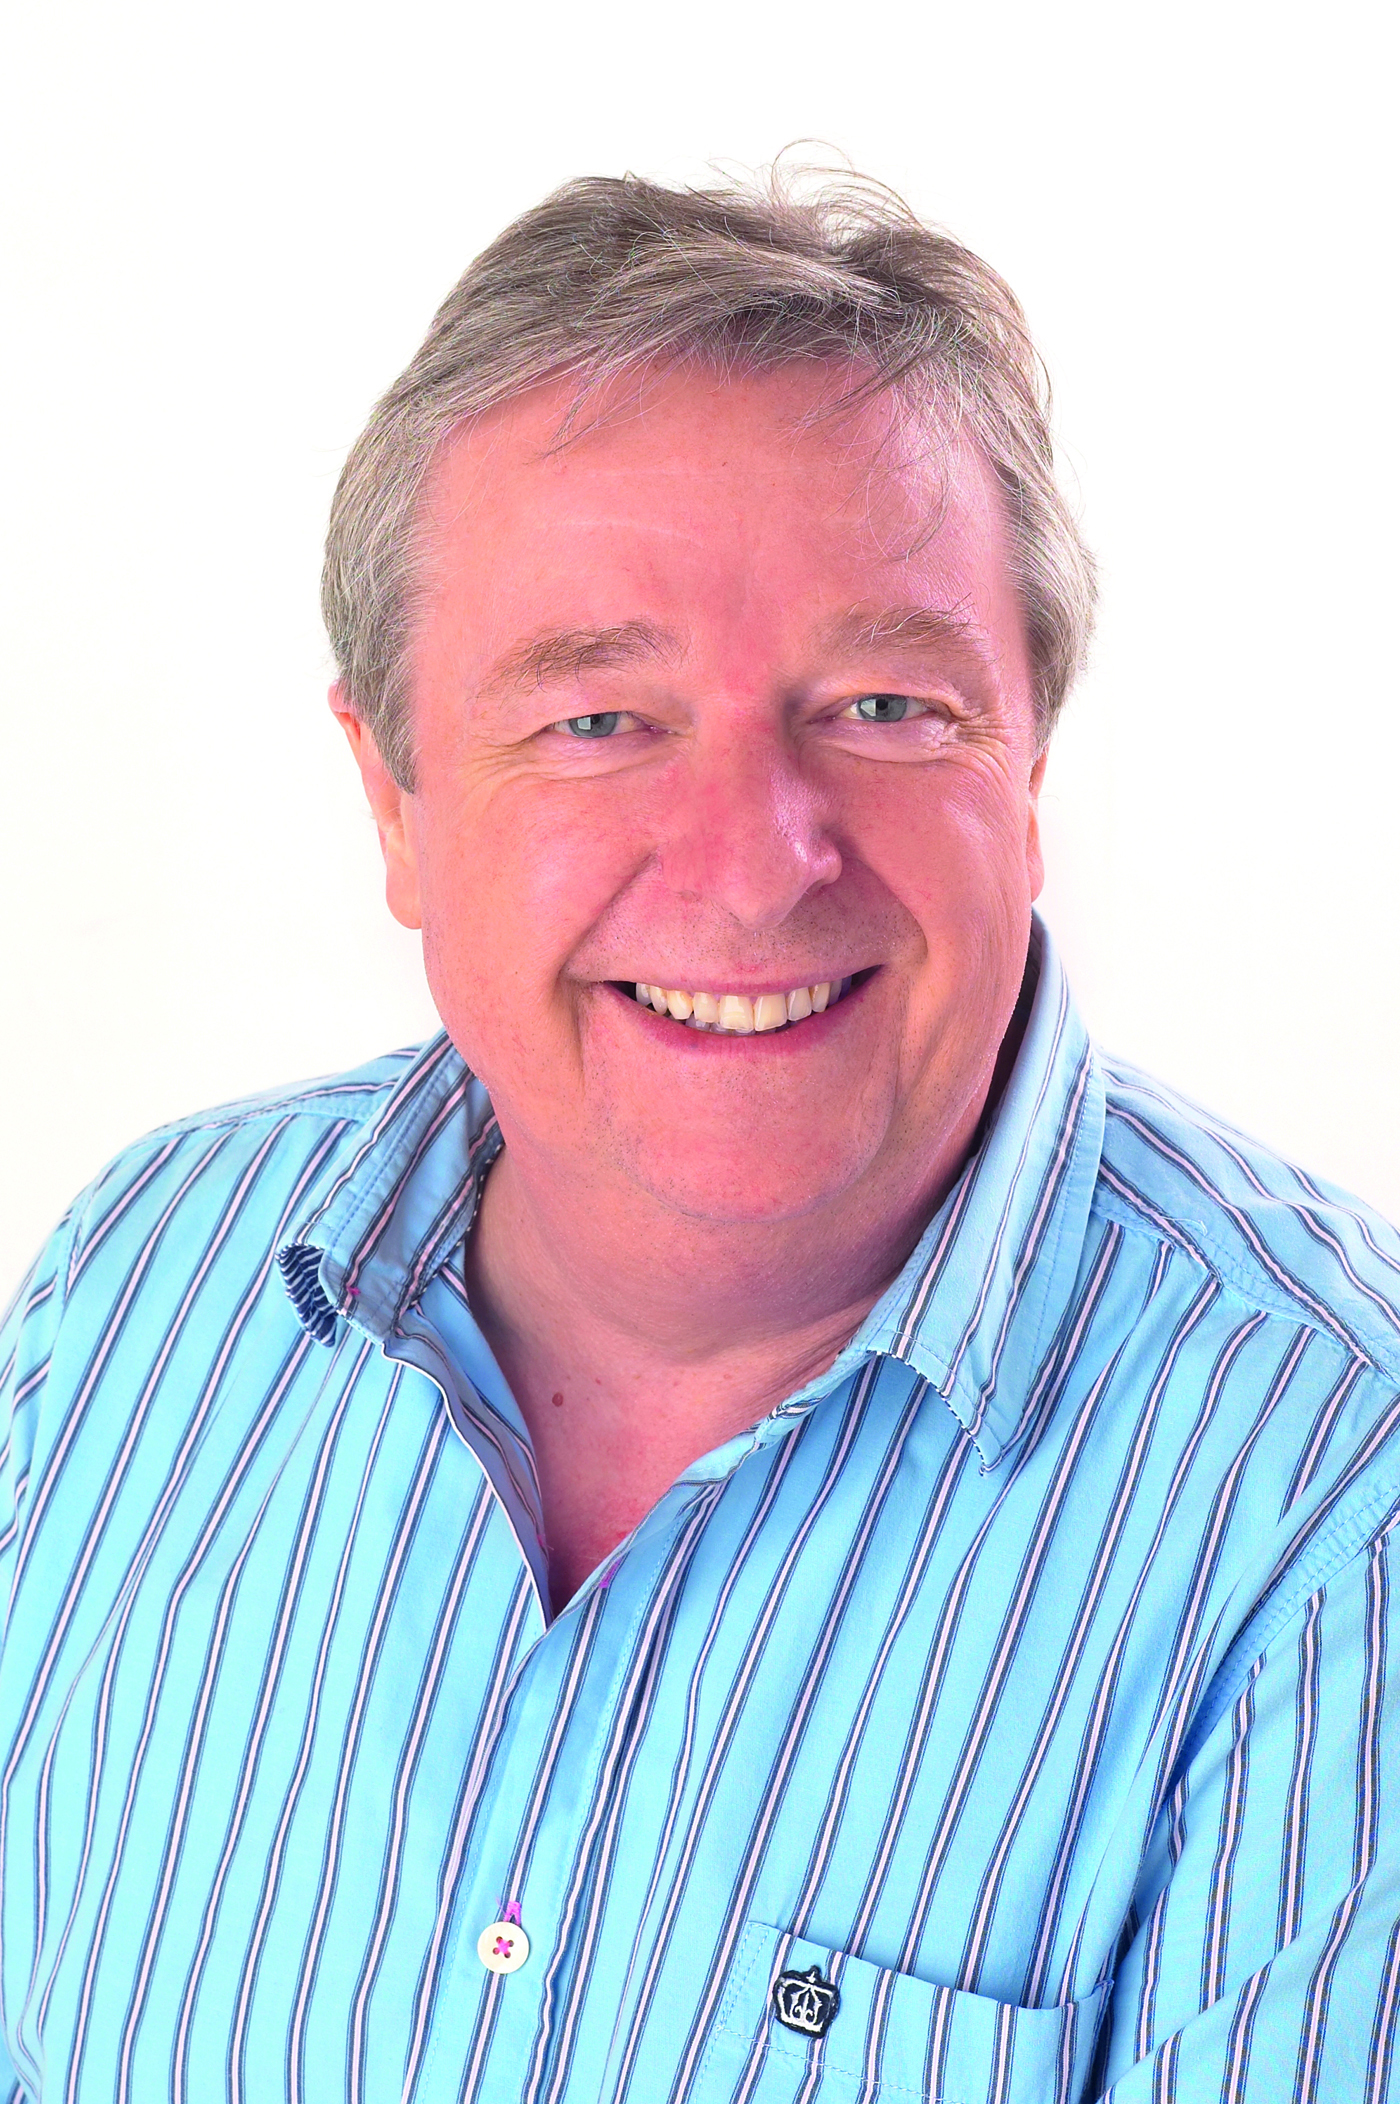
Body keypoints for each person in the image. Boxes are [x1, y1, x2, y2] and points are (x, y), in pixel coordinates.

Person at [2, 167, 1398, 2104]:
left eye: (885, 704)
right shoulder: (136, 1296)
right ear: (393, 803)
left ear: (1029, 774)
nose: (753, 865)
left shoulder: (1338, 1495)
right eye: (598, 722)